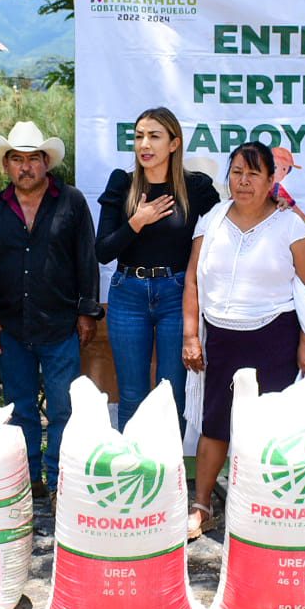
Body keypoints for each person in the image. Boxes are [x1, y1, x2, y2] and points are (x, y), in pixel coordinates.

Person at [183, 141, 305, 540]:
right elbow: (192, 278)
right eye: (237, 172)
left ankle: (270, 505)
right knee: (215, 425)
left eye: (253, 174)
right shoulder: (211, 219)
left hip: (275, 336)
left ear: (270, 180)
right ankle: (202, 506)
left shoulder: (290, 226)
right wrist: (191, 334)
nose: (243, 182)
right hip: (221, 338)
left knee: (271, 426)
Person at [0, 120, 101, 505]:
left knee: (63, 407)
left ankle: (60, 478)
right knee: (20, 408)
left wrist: (87, 312)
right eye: (17, 159)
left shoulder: (72, 202)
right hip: (9, 326)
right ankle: (29, 478)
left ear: (46, 162)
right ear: (6, 165)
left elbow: (87, 259)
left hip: (61, 324)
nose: (25, 167)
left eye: (32, 159)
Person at [95, 107, 220, 433]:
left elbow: (230, 224)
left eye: (154, 136)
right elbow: (103, 251)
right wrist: (138, 221)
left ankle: (168, 477)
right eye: (138, 137)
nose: (144, 144)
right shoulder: (122, 183)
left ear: (174, 143)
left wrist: (273, 205)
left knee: (172, 394)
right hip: (127, 294)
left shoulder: (196, 188)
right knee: (133, 395)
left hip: (177, 295)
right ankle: (130, 476)